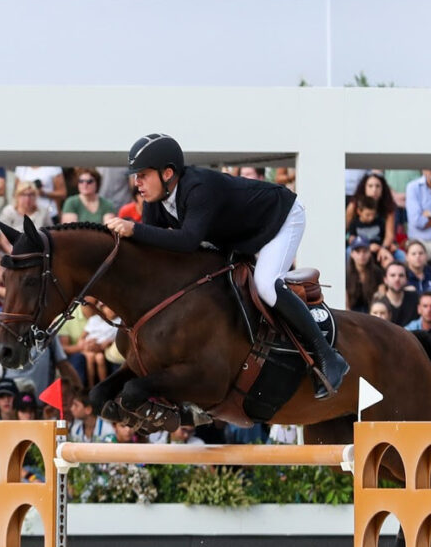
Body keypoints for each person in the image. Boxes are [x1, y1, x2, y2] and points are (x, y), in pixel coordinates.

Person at [105, 133, 346, 396]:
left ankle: (328, 357)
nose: (136, 182)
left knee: (266, 286)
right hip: (239, 235)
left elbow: (187, 241)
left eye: (142, 174)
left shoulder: (199, 188)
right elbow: (153, 253)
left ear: (168, 173)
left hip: (279, 219)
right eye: (135, 175)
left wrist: (134, 229)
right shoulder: (156, 202)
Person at [345, 172, 397, 256]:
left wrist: (382, 249)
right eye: (370, 186)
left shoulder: (388, 207)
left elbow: (389, 235)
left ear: (382, 189)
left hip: (380, 246)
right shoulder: (353, 205)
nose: (374, 190)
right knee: (348, 252)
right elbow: (344, 230)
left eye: (377, 186)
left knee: (400, 255)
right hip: (358, 247)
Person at [373, 261, 419, 326]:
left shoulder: (415, 298)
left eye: (401, 275)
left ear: (406, 279)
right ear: (385, 279)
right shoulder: (379, 303)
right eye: (392, 275)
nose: (397, 279)